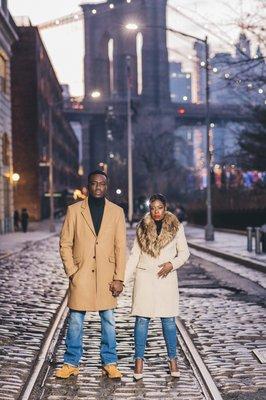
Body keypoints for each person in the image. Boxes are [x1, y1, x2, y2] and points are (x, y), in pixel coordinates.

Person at [55, 170, 126, 379]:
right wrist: (72, 271)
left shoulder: (116, 212)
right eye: (94, 184)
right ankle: (71, 362)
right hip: (81, 274)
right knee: (76, 319)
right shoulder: (74, 210)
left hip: (107, 276)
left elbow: (121, 247)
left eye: (102, 184)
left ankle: (110, 362)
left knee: (109, 320)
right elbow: (65, 243)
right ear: (88, 186)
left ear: (106, 186)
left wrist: (119, 278)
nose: (98, 187)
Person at [125, 193, 190, 380]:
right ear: (149, 209)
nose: (156, 212)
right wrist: (122, 280)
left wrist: (172, 264)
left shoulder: (176, 227)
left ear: (165, 207)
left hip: (166, 280)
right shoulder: (142, 227)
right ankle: (138, 361)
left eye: (159, 207)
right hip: (144, 279)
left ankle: (173, 360)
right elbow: (134, 257)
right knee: (141, 321)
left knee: (168, 322)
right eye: (153, 208)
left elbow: (185, 253)